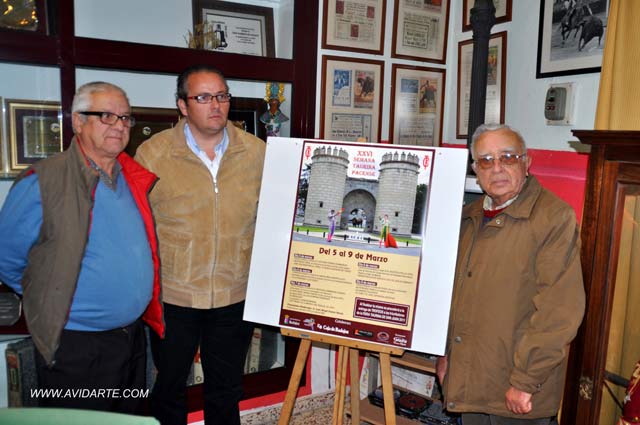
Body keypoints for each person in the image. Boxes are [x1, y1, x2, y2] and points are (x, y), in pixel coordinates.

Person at [0, 81, 164, 413]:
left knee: (126, 420)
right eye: (106, 116)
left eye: (125, 118)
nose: (118, 126)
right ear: (77, 122)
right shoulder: (43, 182)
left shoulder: (130, 178)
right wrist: (56, 298)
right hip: (77, 347)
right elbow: (7, 260)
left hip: (130, 338)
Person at [135, 64, 265, 425]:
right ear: (182, 105)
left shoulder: (256, 154)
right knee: (170, 387)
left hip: (233, 293)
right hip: (175, 297)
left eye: (222, 96)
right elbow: (138, 225)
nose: (216, 105)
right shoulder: (154, 153)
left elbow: (271, 219)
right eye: (203, 97)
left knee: (226, 389)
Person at [436, 124, 585, 424]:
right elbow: (456, 296)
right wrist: (446, 354)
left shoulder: (554, 219)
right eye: (486, 160)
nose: (497, 168)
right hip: (469, 378)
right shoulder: (470, 217)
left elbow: (559, 312)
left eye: (508, 157)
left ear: (527, 164)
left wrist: (526, 381)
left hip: (517, 390)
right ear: (476, 170)